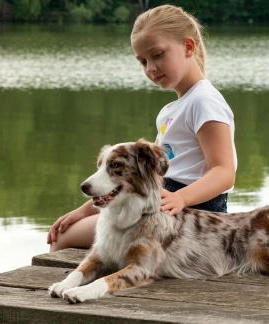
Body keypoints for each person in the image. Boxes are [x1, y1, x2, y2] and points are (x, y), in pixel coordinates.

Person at [47, 4, 237, 252]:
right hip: (160, 203)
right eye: (143, 61)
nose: (150, 68)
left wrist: (181, 198)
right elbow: (148, 177)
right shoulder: (171, 110)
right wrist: (83, 211)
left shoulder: (204, 101)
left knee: (65, 239)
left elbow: (224, 172)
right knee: (65, 233)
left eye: (157, 55)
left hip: (195, 214)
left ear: (188, 47)